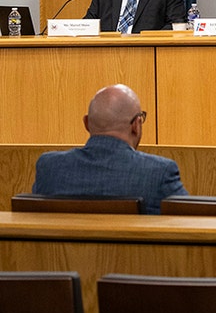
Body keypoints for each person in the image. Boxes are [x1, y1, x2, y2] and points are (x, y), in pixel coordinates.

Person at [32, 84, 187, 215]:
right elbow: (191, 225)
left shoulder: (49, 167)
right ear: (136, 125)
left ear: (86, 123)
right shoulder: (160, 172)